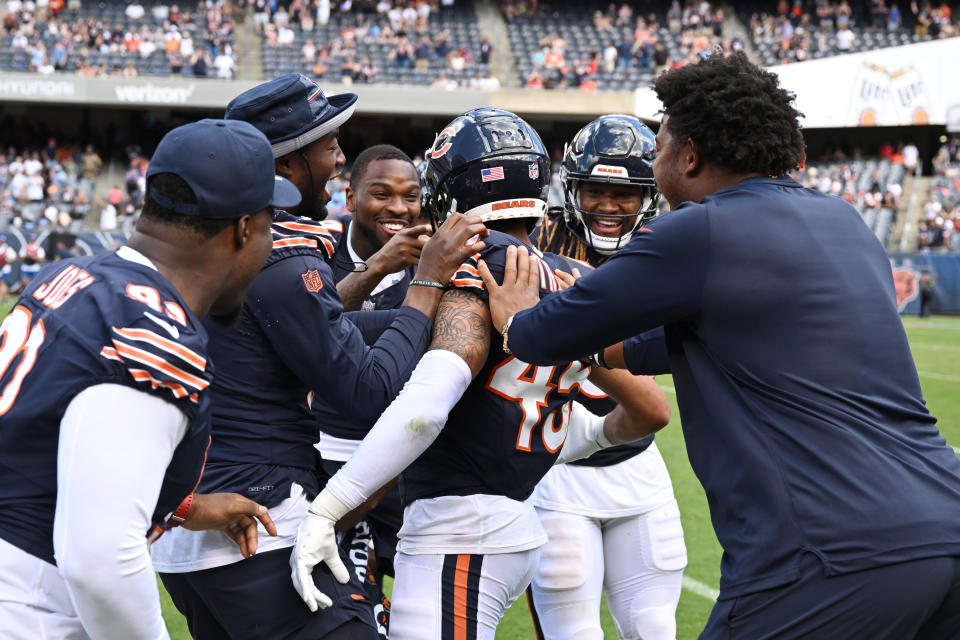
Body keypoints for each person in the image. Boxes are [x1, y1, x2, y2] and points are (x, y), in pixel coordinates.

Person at [484, 52, 960, 639]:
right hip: (944, 524)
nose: (656, 158)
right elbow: (697, 339)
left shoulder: (697, 231)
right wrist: (606, 352)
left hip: (828, 549)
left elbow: (543, 334)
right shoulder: (843, 219)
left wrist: (515, 320)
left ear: (689, 155)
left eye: (659, 145)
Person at [290, 108, 671, 639]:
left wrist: (328, 509)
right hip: (509, 521)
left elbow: (426, 410)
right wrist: (563, 440)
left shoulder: (475, 266)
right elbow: (652, 409)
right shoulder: (572, 276)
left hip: (460, 529)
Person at [151, 74, 487, 640]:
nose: (338, 159)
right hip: (258, 526)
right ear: (285, 163)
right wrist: (430, 281)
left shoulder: (214, 246)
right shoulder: (278, 253)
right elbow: (367, 393)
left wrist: (445, 315)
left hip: (194, 532)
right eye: (327, 144)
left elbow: (307, 331)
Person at [0, 118, 293, 639]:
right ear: (244, 229)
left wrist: (181, 506)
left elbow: (48, 444)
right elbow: (99, 563)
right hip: (28, 604)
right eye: (270, 225)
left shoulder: (74, 277)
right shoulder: (151, 330)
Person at [528, 115, 686, 640]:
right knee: (573, 632)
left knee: (654, 628)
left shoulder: (669, 249)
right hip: (554, 465)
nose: (611, 206)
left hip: (639, 461)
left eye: (626, 193)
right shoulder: (533, 243)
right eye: (597, 190)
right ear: (572, 188)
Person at [317, 144, 429, 589]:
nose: (398, 208)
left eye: (411, 196)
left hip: (405, 464)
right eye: (381, 194)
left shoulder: (437, 260)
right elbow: (310, 321)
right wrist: (379, 266)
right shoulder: (317, 249)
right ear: (351, 198)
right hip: (324, 455)